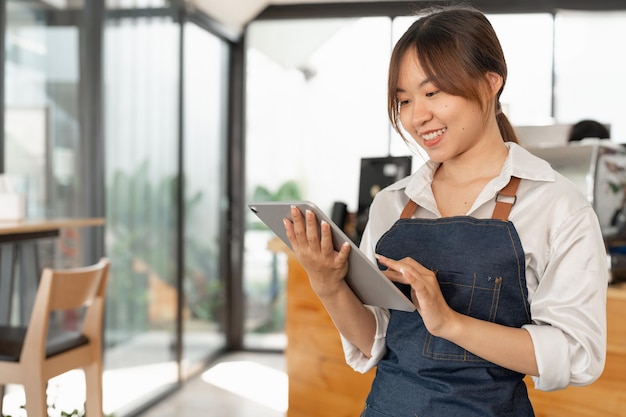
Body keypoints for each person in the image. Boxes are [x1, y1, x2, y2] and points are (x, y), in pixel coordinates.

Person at [283, 5, 607, 417]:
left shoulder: (556, 205)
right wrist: (327, 283)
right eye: (403, 100)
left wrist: (449, 322)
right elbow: (375, 342)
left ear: (490, 83)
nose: (418, 116)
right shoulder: (392, 204)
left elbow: (576, 354)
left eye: (433, 93)